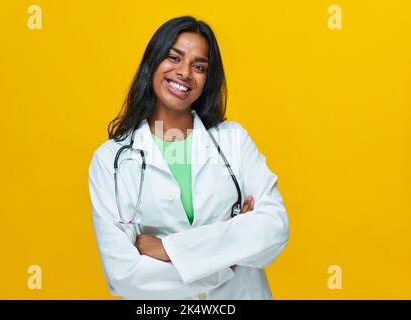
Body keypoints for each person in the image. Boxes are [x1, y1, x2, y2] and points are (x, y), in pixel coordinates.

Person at [88, 16, 289, 300]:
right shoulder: (111, 160)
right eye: (173, 57)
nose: (184, 73)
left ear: (207, 79)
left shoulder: (233, 140)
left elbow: (274, 229)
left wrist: (168, 249)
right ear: (153, 62)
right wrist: (228, 256)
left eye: (199, 66)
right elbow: (124, 277)